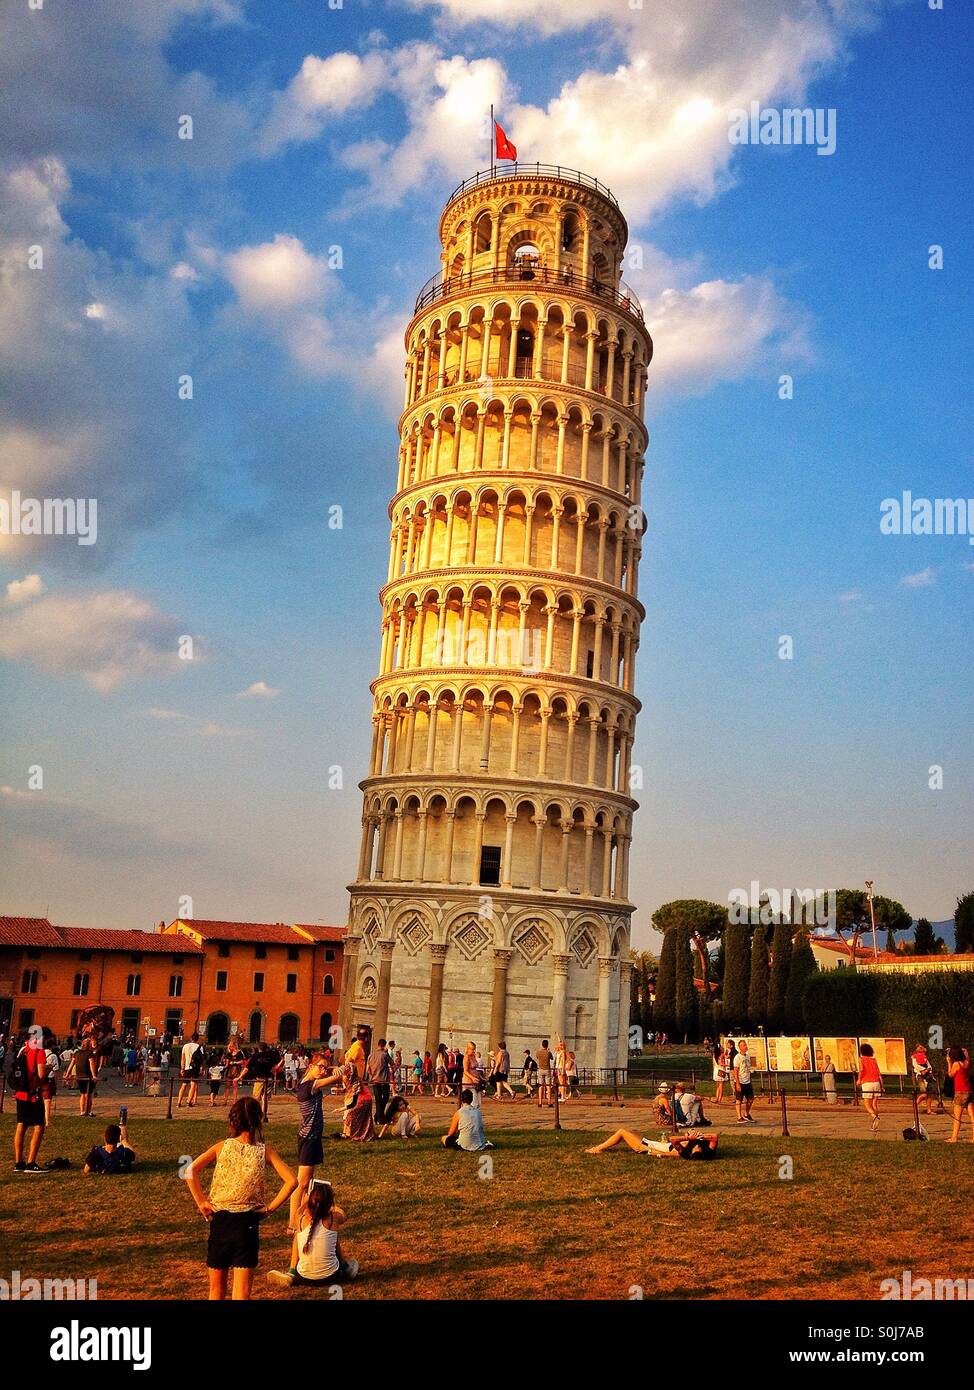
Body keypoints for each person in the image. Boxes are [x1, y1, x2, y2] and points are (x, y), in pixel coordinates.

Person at [185, 1097, 296, 1301]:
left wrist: (201, 1201)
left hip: (220, 1221)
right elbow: (292, 1180)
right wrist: (270, 1208)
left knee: (216, 1290)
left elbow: (190, 1170)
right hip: (247, 1223)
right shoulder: (264, 1151)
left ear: (233, 1121)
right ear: (258, 1121)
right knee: (242, 1293)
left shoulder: (221, 1147)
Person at [267, 1180, 359, 1289]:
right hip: (331, 1276)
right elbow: (343, 1215)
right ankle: (344, 1267)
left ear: (310, 1201)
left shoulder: (300, 1218)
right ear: (329, 1203)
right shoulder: (333, 1219)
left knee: (298, 1235)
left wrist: (305, 1202)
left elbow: (298, 1212)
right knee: (332, 1234)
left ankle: (291, 1273)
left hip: (304, 1277)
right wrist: (331, 1205)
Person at [289, 1052, 344, 1230]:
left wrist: (332, 1069)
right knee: (301, 1183)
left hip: (312, 1136)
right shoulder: (308, 1086)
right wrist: (338, 1072)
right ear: (311, 1066)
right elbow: (330, 1080)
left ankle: (304, 1215)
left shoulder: (309, 1084)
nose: (323, 1070)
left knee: (308, 1182)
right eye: (320, 1067)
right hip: (308, 1137)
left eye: (325, 1067)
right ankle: (292, 1223)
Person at [12, 1030, 48, 1173]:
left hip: (20, 1093)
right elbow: (41, 1074)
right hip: (33, 1095)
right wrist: (48, 1068)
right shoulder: (39, 1052)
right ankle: (31, 1163)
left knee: (21, 1126)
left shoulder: (23, 1051)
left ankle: (18, 1162)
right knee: (39, 1127)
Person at [585, 1129, 719, 1159]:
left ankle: (598, 1149)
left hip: (646, 1147)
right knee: (630, 1132)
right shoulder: (707, 1149)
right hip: (652, 1143)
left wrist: (690, 1138)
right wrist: (699, 1137)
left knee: (622, 1132)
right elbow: (714, 1137)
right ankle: (601, 1147)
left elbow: (673, 1141)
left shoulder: (685, 1152)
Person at [946, 1046, 973, 1143]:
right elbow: (966, 1056)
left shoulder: (956, 1064)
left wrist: (949, 1063)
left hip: (960, 1092)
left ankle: (954, 1138)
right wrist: (965, 1052)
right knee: (972, 1116)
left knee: (957, 1117)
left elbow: (950, 1075)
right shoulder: (967, 1063)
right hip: (969, 1091)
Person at [365, 1038, 393, 1125]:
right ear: (384, 1045)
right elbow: (392, 1064)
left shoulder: (370, 1055)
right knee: (385, 1098)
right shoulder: (385, 1055)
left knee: (378, 1099)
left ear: (378, 1044)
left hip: (374, 1080)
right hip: (383, 1080)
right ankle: (380, 1118)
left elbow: (367, 1069)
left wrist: (372, 1075)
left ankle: (378, 1116)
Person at [857, 1042, 883, 1131]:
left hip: (867, 1083)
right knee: (874, 1104)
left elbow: (861, 1070)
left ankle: (874, 1117)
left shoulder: (861, 1059)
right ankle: (875, 1123)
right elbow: (879, 1074)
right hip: (876, 1083)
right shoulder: (874, 1060)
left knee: (867, 1105)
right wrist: (882, 1086)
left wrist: (859, 1079)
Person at [341, 1076, 376, 1142]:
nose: (345, 1082)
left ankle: (355, 1135)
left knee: (351, 1115)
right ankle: (352, 1133)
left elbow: (353, 1103)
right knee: (365, 1118)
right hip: (365, 1099)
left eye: (345, 1080)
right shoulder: (355, 1080)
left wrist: (341, 1109)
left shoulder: (356, 1083)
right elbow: (348, 1089)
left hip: (363, 1101)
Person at [178, 1032, 204, 1108]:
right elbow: (202, 1059)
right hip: (195, 1068)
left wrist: (182, 1068)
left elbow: (183, 1059)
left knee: (184, 1084)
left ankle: (179, 1102)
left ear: (191, 1038)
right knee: (193, 1085)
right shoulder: (199, 1047)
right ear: (197, 1039)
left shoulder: (185, 1046)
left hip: (186, 1067)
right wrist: (202, 1068)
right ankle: (188, 1102)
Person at [74, 1037, 98, 1117]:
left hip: (79, 1076)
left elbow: (72, 1064)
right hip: (87, 1076)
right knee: (89, 1095)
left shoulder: (77, 1053)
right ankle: (88, 1111)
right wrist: (94, 1075)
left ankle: (82, 1111)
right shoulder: (89, 1053)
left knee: (82, 1094)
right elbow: (91, 1065)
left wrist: (67, 1073)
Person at [733, 1040, 755, 1122]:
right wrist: (737, 1083)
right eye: (743, 1045)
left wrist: (750, 1079)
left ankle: (746, 1114)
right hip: (740, 1081)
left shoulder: (748, 1056)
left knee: (751, 1099)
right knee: (739, 1099)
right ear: (740, 1047)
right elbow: (735, 1071)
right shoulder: (737, 1057)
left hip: (747, 1081)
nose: (746, 1046)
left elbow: (749, 1069)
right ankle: (739, 1117)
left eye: (746, 1045)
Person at [911, 1043, 935, 1116]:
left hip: (928, 1076)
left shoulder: (925, 1058)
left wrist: (928, 1071)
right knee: (924, 1094)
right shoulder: (914, 1058)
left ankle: (929, 1110)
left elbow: (929, 1066)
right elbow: (916, 1066)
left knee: (929, 1094)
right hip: (920, 1076)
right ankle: (915, 1105)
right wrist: (924, 1070)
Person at [462, 1041, 481, 1108]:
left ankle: (476, 1114)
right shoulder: (466, 1057)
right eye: (472, 1049)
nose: (474, 1051)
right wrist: (472, 1078)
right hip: (468, 1082)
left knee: (478, 1102)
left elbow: (475, 1068)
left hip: (476, 1082)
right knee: (472, 1103)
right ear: (468, 1049)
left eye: (474, 1049)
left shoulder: (473, 1056)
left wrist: (480, 1076)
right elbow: (465, 1071)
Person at [537, 1038, 553, 1107]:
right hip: (547, 1070)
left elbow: (537, 1057)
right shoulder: (548, 1052)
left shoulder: (538, 1052)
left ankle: (540, 1102)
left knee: (540, 1086)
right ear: (547, 1045)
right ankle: (549, 1102)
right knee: (548, 1086)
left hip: (540, 1069)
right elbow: (552, 1058)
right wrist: (548, 1051)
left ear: (542, 1045)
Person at [712, 1040, 728, 1106]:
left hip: (716, 1070)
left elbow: (713, 1064)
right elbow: (721, 1063)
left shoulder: (714, 1055)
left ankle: (716, 1098)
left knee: (718, 1086)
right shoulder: (721, 1055)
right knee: (721, 1086)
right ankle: (719, 1099)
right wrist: (727, 1065)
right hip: (721, 1070)